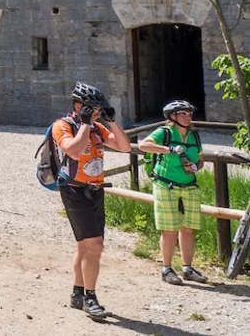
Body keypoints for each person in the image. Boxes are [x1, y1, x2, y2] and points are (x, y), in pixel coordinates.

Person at [53, 82, 131, 321]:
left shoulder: (97, 127)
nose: (97, 113)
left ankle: (77, 293)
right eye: (93, 109)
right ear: (78, 106)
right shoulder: (62, 126)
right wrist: (85, 125)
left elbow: (125, 147)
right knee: (95, 245)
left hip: (96, 190)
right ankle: (90, 297)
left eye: (99, 109)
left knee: (85, 246)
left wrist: (112, 122)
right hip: (74, 190)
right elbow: (73, 151)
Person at [140, 99, 209, 286]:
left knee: (188, 228)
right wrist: (168, 149)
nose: (188, 117)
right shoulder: (165, 132)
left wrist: (196, 167)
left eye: (189, 113)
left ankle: (187, 268)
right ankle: (167, 269)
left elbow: (201, 159)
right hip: (166, 184)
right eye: (183, 113)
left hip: (189, 185)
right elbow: (143, 146)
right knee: (169, 229)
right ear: (172, 116)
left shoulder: (195, 136)